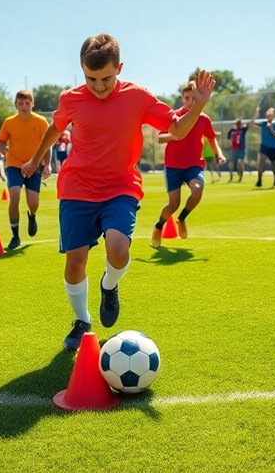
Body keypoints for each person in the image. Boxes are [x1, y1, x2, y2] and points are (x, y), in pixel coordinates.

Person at [20, 34, 215, 351]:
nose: (98, 86)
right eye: (91, 78)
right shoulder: (71, 99)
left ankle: (109, 285)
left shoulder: (137, 97)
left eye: (106, 78)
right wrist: (35, 158)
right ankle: (82, 320)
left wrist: (200, 105)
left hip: (120, 186)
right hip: (77, 187)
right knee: (75, 262)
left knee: (118, 248)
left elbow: (177, 129)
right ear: (82, 71)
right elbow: (55, 128)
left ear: (119, 68)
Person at [150, 80, 224, 248]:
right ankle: (158, 227)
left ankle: (182, 218)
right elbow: (159, 137)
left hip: (194, 164)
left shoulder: (204, 119)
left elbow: (211, 138)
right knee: (173, 204)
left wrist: (219, 154)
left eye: (193, 98)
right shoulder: (174, 116)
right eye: (186, 98)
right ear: (182, 99)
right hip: (173, 165)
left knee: (197, 189)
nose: (189, 102)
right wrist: (174, 136)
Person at [0, 89, 52, 251]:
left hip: (35, 165)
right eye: (20, 103)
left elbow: (47, 145)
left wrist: (47, 165)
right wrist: (3, 150)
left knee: (33, 203)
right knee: (14, 196)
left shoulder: (41, 121)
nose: (23, 106)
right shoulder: (9, 122)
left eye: (27, 103)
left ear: (32, 104)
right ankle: (15, 236)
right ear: (16, 104)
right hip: (14, 164)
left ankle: (32, 215)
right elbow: (0, 140)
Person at [248, 106, 275, 187]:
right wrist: (256, 114)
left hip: (273, 147)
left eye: (270, 115)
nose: (268, 117)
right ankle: (259, 180)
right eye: (267, 115)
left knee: (274, 164)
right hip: (264, 146)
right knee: (260, 161)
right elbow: (251, 124)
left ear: (273, 116)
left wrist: (271, 129)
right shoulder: (263, 123)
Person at [226, 117, 248, 182]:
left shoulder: (242, 130)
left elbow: (249, 125)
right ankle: (231, 177)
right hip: (234, 149)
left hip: (241, 149)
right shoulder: (232, 131)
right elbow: (229, 139)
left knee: (239, 162)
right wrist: (230, 145)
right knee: (231, 164)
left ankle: (241, 176)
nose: (238, 125)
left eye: (239, 123)